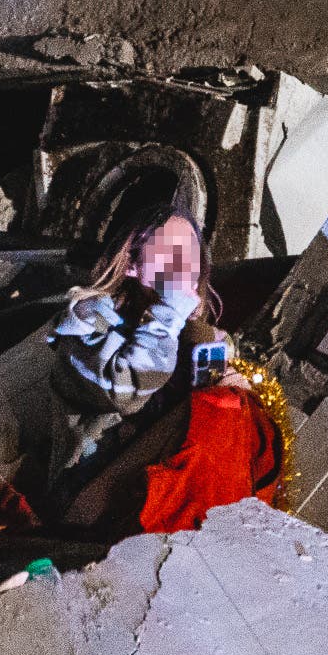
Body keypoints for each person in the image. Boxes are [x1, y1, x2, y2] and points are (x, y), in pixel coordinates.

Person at [45, 202, 213, 482]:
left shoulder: (182, 328)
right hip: (91, 486)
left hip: (166, 477)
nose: (182, 266)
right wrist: (168, 317)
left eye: (190, 254)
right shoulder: (86, 323)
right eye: (170, 252)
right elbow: (123, 390)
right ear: (133, 263)